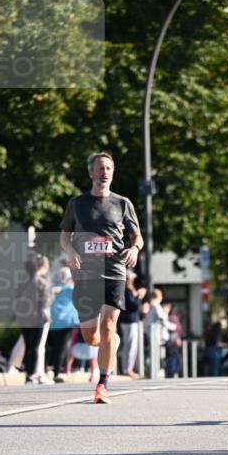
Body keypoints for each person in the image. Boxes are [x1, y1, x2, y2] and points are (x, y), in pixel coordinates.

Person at [59, 151, 143, 404]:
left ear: (112, 172)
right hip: (86, 274)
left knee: (108, 324)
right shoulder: (77, 203)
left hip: (115, 271)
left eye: (108, 168)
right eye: (100, 168)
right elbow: (64, 235)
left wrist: (135, 248)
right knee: (92, 338)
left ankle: (103, 384)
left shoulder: (123, 203)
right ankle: (110, 343)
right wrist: (71, 250)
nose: (104, 172)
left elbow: (136, 236)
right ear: (90, 172)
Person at [15, 253, 51, 383]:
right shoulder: (43, 282)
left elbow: (17, 299)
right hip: (38, 318)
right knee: (35, 346)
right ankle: (32, 374)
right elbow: (46, 302)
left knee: (28, 345)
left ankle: (28, 374)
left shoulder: (22, 282)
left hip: (24, 317)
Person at [47, 264, 78, 382]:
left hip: (53, 322)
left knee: (53, 348)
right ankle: (56, 373)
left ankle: (46, 371)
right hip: (66, 322)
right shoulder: (71, 288)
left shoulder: (52, 287)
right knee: (61, 348)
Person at [118, 270, 143, 378]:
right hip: (129, 320)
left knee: (129, 345)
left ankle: (128, 368)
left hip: (128, 320)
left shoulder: (125, 289)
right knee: (130, 345)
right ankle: (127, 369)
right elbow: (133, 305)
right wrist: (139, 297)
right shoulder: (127, 290)